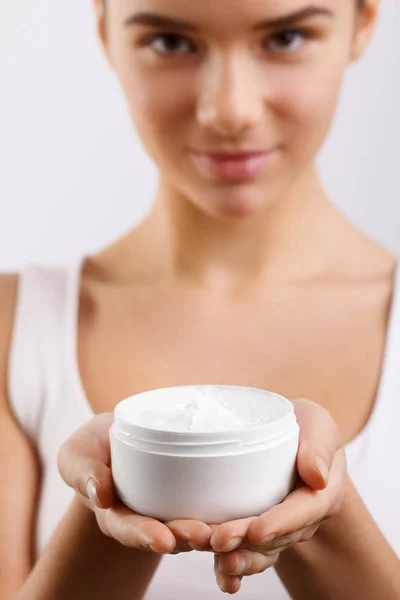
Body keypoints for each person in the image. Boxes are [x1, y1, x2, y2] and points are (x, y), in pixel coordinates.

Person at [0, 0, 399, 598]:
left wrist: (330, 524)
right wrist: (108, 502)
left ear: (363, 21)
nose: (229, 110)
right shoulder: (14, 329)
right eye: (170, 42)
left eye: (286, 36)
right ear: (105, 29)